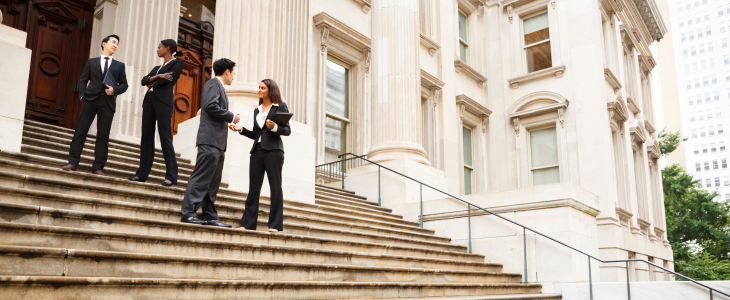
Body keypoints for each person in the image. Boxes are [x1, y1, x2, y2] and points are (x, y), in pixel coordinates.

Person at [179, 58, 241, 227]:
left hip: (218, 142)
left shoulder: (219, 87)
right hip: (210, 140)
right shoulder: (213, 84)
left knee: (213, 181)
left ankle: (209, 215)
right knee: (201, 178)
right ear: (227, 71)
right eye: (233, 73)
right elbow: (210, 106)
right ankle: (188, 213)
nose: (234, 77)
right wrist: (231, 116)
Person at [229, 79, 291, 233]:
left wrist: (275, 127)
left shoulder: (280, 106)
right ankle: (248, 223)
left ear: (271, 90)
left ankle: (275, 225)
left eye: (263, 88)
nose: (259, 90)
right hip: (257, 151)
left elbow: (287, 130)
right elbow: (256, 134)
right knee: (253, 188)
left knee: (275, 187)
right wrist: (240, 129)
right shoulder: (257, 110)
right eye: (259, 87)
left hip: (274, 152)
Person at [62, 35, 129, 176]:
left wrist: (114, 90)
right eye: (113, 42)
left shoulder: (119, 65)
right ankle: (73, 163)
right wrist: (82, 95)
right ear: (104, 44)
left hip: (107, 103)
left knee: (103, 135)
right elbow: (83, 79)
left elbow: (124, 85)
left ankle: (98, 167)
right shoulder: (91, 62)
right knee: (81, 131)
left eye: (117, 43)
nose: (115, 45)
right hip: (90, 100)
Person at [129, 39, 184, 187]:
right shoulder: (156, 68)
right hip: (149, 101)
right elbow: (144, 81)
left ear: (167, 48)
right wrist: (159, 76)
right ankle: (141, 175)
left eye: (159, 47)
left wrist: (153, 81)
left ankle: (171, 176)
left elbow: (170, 79)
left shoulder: (178, 63)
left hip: (163, 102)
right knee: (146, 137)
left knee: (165, 136)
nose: (157, 49)